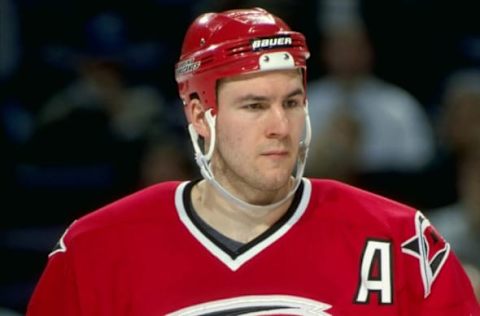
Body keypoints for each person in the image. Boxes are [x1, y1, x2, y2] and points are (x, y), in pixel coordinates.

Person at [26, 7, 479, 315]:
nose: (280, 125)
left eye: (293, 102)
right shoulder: (95, 249)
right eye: (255, 106)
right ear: (201, 115)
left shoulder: (399, 239)